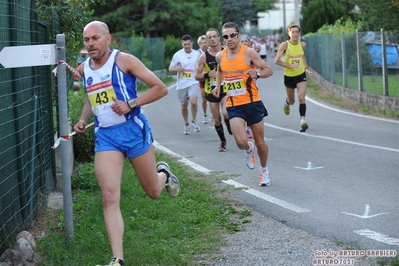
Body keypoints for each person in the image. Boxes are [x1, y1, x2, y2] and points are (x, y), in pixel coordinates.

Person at [73, 21, 180, 266]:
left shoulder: (125, 60)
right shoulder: (84, 68)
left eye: (95, 38)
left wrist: (130, 103)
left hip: (132, 130)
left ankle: (163, 173)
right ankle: (117, 260)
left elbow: (160, 88)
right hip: (106, 137)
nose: (90, 44)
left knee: (152, 192)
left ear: (108, 39)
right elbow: (92, 96)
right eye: (87, 39)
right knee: (109, 196)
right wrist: (82, 120)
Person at [213, 22, 273, 186]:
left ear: (239, 36)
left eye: (232, 35)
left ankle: (264, 171)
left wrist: (258, 74)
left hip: (252, 102)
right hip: (234, 104)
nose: (229, 39)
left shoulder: (249, 53)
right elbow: (219, 70)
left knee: (260, 142)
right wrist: (218, 86)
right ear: (223, 39)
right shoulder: (220, 56)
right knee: (240, 141)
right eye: (226, 36)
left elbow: (269, 69)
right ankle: (248, 149)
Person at [195, 28, 231, 152]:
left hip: (225, 88)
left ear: (219, 38)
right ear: (207, 40)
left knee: (225, 113)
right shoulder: (203, 57)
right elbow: (196, 75)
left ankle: (228, 123)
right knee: (216, 119)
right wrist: (207, 75)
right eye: (209, 37)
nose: (212, 39)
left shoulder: (227, 52)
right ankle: (223, 141)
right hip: (210, 90)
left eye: (214, 36)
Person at [274, 24, 312, 132]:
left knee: (301, 97)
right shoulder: (284, 45)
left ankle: (302, 121)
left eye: (297, 32)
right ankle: (287, 103)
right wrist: (290, 66)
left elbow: (302, 56)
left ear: (299, 33)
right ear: (289, 33)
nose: (295, 34)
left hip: (300, 74)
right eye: (292, 32)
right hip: (289, 76)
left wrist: (306, 68)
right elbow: (276, 61)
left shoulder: (302, 45)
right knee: (292, 101)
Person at [169, 35, 201, 135]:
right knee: (184, 105)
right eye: (184, 44)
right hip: (182, 83)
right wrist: (177, 69)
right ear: (182, 44)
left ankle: (194, 120)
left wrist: (199, 69)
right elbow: (170, 68)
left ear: (192, 43)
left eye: (188, 44)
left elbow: (202, 66)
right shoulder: (178, 55)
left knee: (193, 100)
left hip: (193, 81)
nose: (187, 46)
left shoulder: (197, 54)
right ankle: (186, 123)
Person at [239, 35, 254, 139]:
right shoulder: (236, 54)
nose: (244, 43)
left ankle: (248, 126)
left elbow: (261, 67)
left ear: (250, 43)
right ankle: (246, 128)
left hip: (252, 83)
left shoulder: (252, 53)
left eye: (246, 41)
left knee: (250, 106)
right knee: (242, 105)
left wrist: (257, 73)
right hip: (240, 83)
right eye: (242, 41)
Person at [197, 35, 211, 124]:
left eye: (205, 42)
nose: (204, 44)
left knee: (213, 96)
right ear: (199, 44)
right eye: (202, 43)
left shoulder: (212, 52)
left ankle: (212, 112)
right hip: (203, 78)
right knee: (204, 98)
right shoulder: (197, 53)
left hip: (212, 77)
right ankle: (205, 114)